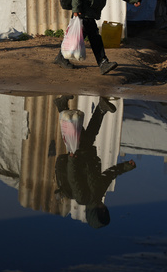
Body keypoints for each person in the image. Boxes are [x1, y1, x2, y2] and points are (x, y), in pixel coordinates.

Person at [53, 96, 135, 228]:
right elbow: (110, 174)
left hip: (78, 157)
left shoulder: (83, 198)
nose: (104, 209)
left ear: (93, 212)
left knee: (76, 129)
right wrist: (126, 167)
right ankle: (94, 107)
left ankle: (96, 108)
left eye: (101, 212)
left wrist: (72, 161)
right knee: (86, 132)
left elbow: (73, 179)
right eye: (105, 211)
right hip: (87, 156)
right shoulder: (99, 193)